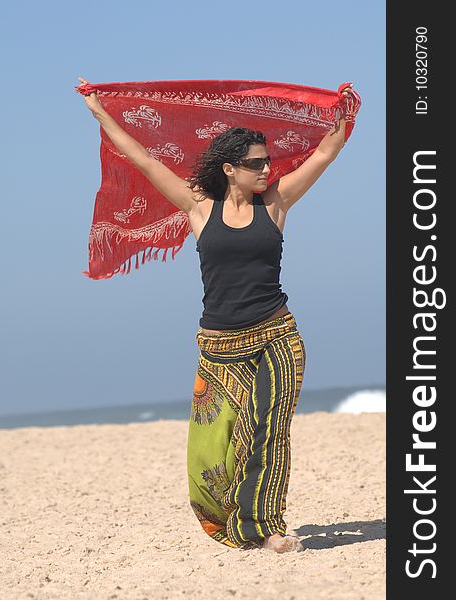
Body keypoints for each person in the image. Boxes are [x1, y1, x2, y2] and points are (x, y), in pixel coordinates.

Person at [77, 76, 353, 553]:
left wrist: (344, 116)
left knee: (267, 431)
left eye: (267, 161)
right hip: (220, 346)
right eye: (255, 163)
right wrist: (101, 111)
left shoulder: (277, 202)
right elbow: (143, 158)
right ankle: (233, 516)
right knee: (211, 450)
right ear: (229, 169)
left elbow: (324, 155)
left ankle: (265, 527)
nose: (266, 169)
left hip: (276, 336)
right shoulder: (199, 207)